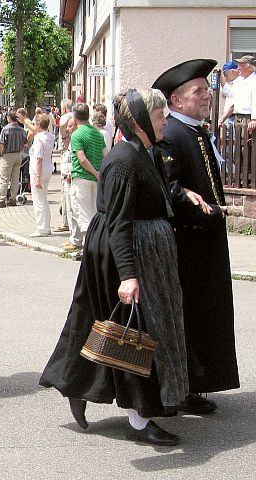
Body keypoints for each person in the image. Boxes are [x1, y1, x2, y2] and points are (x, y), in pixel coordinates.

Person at [40, 88, 212, 446]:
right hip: (125, 253)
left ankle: (79, 386)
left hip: (145, 252)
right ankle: (139, 419)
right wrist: (129, 275)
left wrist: (184, 197)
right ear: (138, 121)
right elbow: (119, 222)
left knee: (104, 327)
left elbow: (160, 194)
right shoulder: (122, 160)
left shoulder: (146, 153)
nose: (165, 118)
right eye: (160, 113)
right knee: (138, 335)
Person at [153, 58, 240, 413]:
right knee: (191, 315)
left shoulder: (196, 131)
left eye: (207, 89)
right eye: (199, 91)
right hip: (190, 242)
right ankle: (187, 388)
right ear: (176, 101)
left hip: (207, 239)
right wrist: (198, 207)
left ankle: (201, 382)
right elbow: (169, 188)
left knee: (209, 314)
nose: (207, 96)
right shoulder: (173, 134)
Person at [64, 103, 107, 254]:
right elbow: (105, 155)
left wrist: (95, 173)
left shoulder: (77, 134)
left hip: (82, 178)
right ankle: (96, 247)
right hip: (96, 180)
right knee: (94, 213)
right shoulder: (97, 133)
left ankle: (89, 250)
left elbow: (81, 159)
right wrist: (100, 174)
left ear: (75, 118)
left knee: (83, 215)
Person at [0, 112, 28, 208]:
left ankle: (1, 200)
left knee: (4, 178)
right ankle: (12, 199)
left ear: (8, 118)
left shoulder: (6, 129)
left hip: (8, 155)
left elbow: (2, 144)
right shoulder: (21, 130)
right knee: (15, 178)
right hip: (18, 155)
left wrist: (1, 154)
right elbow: (25, 144)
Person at [28, 114, 55, 237]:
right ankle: (46, 226)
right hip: (48, 169)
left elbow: (38, 158)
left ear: (38, 125)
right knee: (43, 199)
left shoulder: (39, 139)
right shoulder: (50, 136)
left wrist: (37, 177)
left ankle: (42, 228)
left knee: (38, 200)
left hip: (38, 171)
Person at [217, 55, 256, 132]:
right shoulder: (239, 81)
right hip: (238, 118)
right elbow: (233, 101)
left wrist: (254, 119)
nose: (238, 68)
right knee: (238, 142)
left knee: (249, 142)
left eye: (240, 66)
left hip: (249, 119)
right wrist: (223, 118)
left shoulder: (254, 81)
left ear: (249, 67)